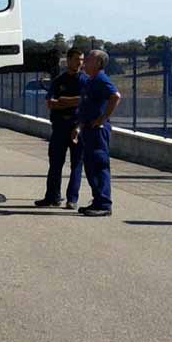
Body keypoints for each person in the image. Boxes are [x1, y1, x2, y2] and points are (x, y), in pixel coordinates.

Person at [35, 48, 87, 209]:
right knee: (55, 164)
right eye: (77, 59)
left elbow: (86, 103)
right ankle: (52, 197)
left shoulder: (85, 81)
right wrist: (75, 101)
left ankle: (72, 199)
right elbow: (51, 103)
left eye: (82, 60)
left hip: (77, 127)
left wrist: (63, 101)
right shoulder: (59, 80)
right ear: (69, 60)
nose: (80, 63)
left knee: (76, 164)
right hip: (59, 127)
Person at [75, 50, 122, 217]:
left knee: (99, 166)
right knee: (90, 167)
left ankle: (103, 203)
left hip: (97, 131)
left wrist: (102, 118)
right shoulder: (90, 81)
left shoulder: (101, 79)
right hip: (88, 129)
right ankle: (97, 201)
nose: (85, 62)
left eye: (89, 59)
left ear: (98, 63)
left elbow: (115, 96)